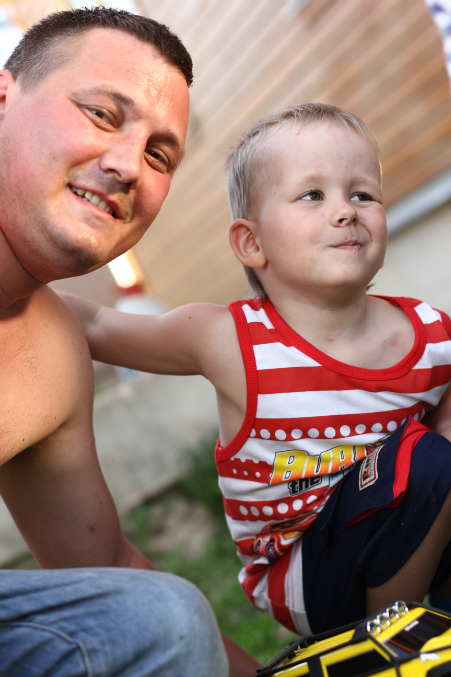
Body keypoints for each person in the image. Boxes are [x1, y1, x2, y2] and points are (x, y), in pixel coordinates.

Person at [61, 102, 451, 638]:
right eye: (312, 195)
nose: (346, 211)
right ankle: (383, 645)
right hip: (304, 571)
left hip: (408, 530)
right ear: (253, 243)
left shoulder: (432, 334)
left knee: (435, 456)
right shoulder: (230, 341)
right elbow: (97, 325)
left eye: (363, 194)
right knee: (429, 461)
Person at [0, 7, 239, 677]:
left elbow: (109, 574)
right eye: (103, 114)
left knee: (159, 619)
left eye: (159, 154)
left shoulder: (51, 351)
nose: (129, 165)